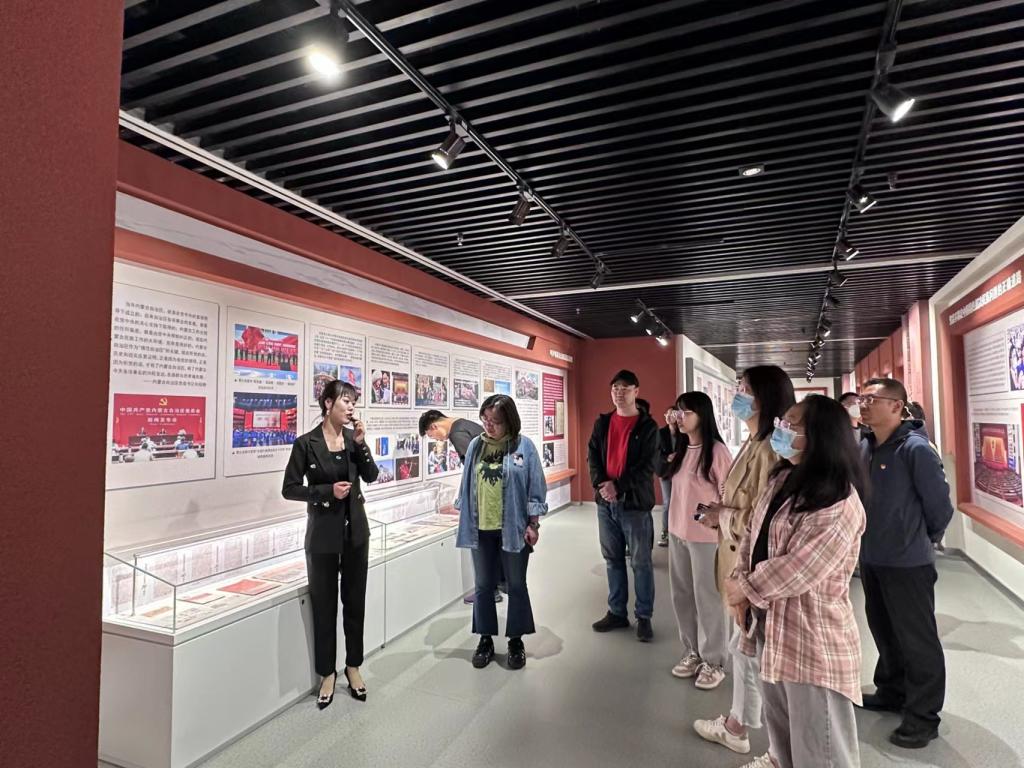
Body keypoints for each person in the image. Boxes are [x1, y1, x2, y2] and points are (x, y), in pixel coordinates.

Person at [723, 395, 867, 768]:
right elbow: (753, 535)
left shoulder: (839, 499)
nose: (781, 430)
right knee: (783, 737)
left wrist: (744, 589)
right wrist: (739, 584)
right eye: (781, 422)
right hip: (771, 628)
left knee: (821, 748)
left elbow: (801, 568)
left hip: (811, 636)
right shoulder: (782, 478)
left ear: (819, 435)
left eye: (791, 424)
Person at [694, 365, 795, 761]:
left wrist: (723, 517)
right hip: (740, 561)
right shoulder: (754, 441)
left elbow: (764, 516)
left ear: (764, 396)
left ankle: (773, 748)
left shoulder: (770, 449)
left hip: (755, 566)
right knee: (745, 647)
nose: (737, 395)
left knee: (756, 652)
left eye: (743, 389)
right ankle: (738, 724)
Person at [857, 378, 954, 749]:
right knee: (884, 630)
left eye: (872, 399)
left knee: (917, 640)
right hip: (872, 557)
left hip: (908, 563)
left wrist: (922, 539)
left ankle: (923, 717)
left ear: (897, 406)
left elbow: (939, 506)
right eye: (862, 399)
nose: (864, 405)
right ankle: (892, 690)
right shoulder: (865, 446)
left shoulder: (915, 448)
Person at [282, 380, 379, 709]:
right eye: (345, 401)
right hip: (322, 535)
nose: (351, 407)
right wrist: (327, 492)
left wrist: (362, 445)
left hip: (356, 534)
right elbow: (290, 488)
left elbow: (371, 475)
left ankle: (353, 666)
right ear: (327, 404)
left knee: (355, 603)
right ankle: (327, 673)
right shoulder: (306, 444)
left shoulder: (353, 439)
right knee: (324, 606)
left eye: (353, 402)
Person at [455, 394, 547, 669]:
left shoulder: (524, 446)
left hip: (513, 528)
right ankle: (485, 639)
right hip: (480, 529)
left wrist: (533, 524)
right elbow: (467, 481)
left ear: (509, 421)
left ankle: (515, 640)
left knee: (516, 585)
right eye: (485, 419)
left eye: (495, 420)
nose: (489, 425)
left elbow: (535, 487)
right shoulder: (476, 445)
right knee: (483, 586)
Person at [665, 392, 733, 691]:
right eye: (677, 411)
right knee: (682, 596)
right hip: (678, 533)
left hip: (705, 538)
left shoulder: (716, 451)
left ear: (702, 415)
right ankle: (692, 650)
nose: (679, 417)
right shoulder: (681, 450)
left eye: (686, 412)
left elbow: (729, 493)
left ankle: (714, 660)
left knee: (708, 597)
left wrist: (718, 517)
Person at [587, 369, 659, 641]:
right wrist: (602, 485)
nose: (619, 392)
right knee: (612, 559)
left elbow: (647, 466)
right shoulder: (603, 423)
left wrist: (618, 486)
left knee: (641, 562)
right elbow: (593, 455)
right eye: (615, 388)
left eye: (625, 388)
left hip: (634, 505)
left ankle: (644, 616)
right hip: (605, 504)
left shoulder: (647, 427)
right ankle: (617, 612)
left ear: (636, 392)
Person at [418, 409, 484, 462]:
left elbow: (473, 465)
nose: (437, 440)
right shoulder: (462, 422)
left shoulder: (456, 433)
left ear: (434, 426)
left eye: (431, 436)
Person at [656, 405, 678, 547]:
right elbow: (654, 452)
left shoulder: (683, 432)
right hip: (665, 471)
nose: (669, 417)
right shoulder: (660, 433)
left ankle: (677, 531)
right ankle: (665, 531)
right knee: (668, 501)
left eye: (672, 414)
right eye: (667, 414)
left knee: (680, 501)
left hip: (680, 471)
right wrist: (667, 457)